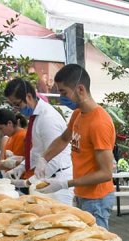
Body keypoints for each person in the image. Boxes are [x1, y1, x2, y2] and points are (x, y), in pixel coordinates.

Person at [36, 64, 116, 228]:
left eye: (64, 92)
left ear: (80, 89)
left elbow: (106, 173)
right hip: (81, 193)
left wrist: (66, 183)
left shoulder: (99, 123)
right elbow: (63, 139)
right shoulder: (78, 114)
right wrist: (43, 159)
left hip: (97, 199)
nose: (61, 97)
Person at [4, 78, 74, 206]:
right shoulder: (36, 116)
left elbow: (55, 157)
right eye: (13, 106)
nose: (16, 109)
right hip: (47, 178)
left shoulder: (47, 118)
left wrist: (30, 181)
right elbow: (37, 151)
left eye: (17, 104)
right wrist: (21, 167)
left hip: (58, 180)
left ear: (29, 97)